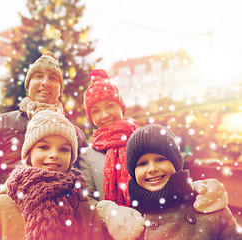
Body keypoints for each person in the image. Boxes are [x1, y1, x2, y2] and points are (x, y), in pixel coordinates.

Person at [78, 69, 229, 240]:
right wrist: (110, 214)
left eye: (109, 106)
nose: (104, 115)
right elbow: (87, 200)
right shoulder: (88, 154)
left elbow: (172, 175)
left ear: (120, 106)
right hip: (113, 234)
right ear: (90, 116)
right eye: (96, 110)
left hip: (160, 223)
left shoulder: (143, 139)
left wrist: (201, 191)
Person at [0, 51, 88, 240]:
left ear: (60, 88)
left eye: (53, 78)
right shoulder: (0, 125)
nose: (45, 82)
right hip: (7, 226)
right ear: (28, 85)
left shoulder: (75, 134)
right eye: (38, 76)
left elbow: (86, 186)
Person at [0, 110, 111, 240]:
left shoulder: (86, 211)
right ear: (29, 154)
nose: (54, 155)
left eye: (63, 149)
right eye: (44, 147)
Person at [125, 124, 242, 239]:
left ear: (176, 163)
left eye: (160, 159)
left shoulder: (208, 205)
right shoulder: (128, 220)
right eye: (142, 163)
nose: (152, 169)